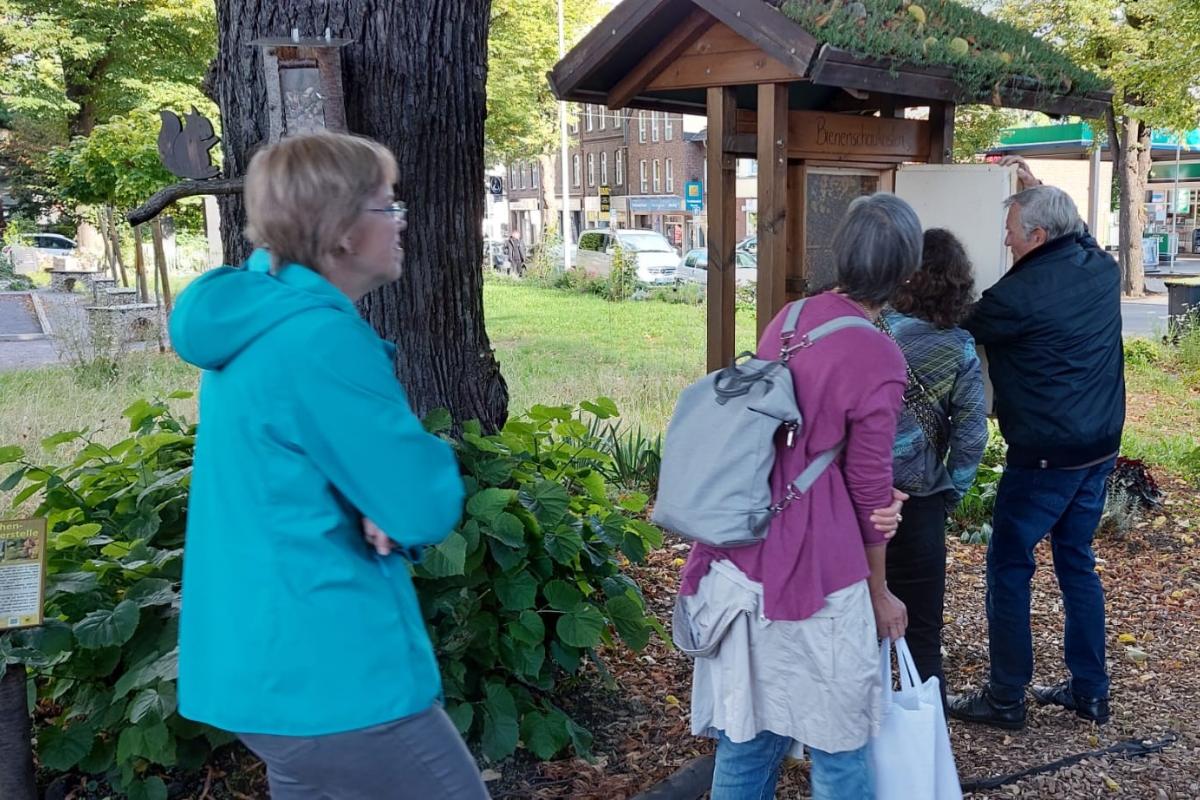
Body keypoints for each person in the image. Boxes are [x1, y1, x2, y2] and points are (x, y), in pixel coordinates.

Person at [169, 131, 489, 799]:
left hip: (267, 663)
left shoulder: (255, 317)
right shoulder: (318, 337)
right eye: (385, 205)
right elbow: (421, 502)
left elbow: (310, 466)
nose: (399, 223)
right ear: (342, 231)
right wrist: (390, 497)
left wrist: (374, 494)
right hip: (333, 670)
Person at [676, 193, 919, 800]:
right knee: (839, 744)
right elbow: (867, 489)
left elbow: (785, 437)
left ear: (840, 254)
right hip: (818, 563)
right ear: (905, 274)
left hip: (745, 542)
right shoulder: (879, 355)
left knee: (749, 733)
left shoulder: (789, 318)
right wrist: (880, 591)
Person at [948, 156, 1125, 729]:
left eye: (1011, 234)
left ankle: (1005, 698)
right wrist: (1033, 186)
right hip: (1099, 447)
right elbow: (1081, 231)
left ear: (1039, 235)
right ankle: (1090, 691)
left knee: (1008, 563)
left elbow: (957, 321)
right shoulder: (1099, 267)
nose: (1005, 242)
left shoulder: (1013, 299)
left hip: (1046, 453)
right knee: (1076, 561)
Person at [879, 228, 988, 710]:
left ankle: (855, 748)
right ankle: (926, 755)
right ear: (956, 284)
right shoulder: (960, 347)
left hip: (860, 501)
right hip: (921, 503)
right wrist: (953, 492)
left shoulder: (873, 329)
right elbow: (971, 435)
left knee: (856, 626)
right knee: (921, 634)